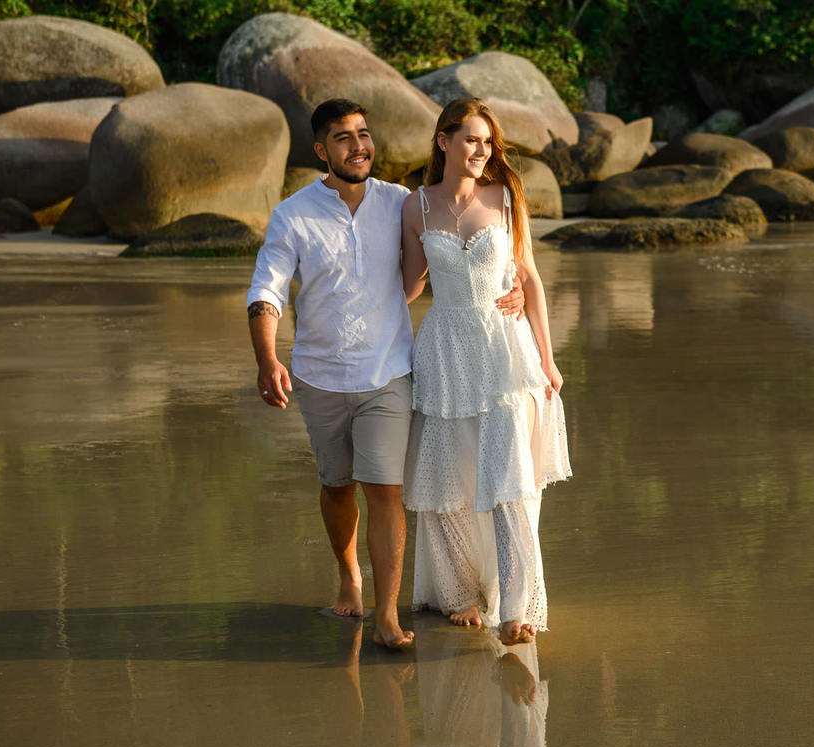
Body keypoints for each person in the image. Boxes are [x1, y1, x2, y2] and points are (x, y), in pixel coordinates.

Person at [245, 98, 521, 649]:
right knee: (336, 485)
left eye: (364, 134)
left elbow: (445, 258)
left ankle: (388, 615)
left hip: (390, 372)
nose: (359, 145)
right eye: (343, 138)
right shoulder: (292, 215)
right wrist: (267, 358)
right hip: (320, 375)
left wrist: (505, 286)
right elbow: (267, 291)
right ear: (322, 151)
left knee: (386, 491)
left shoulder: (401, 202)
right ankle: (350, 577)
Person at [401, 98, 572, 646]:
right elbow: (407, 288)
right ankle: (462, 595)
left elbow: (530, 278)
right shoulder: (417, 207)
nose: (482, 151)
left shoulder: (506, 198)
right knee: (447, 482)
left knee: (510, 483)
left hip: (503, 352)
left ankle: (517, 610)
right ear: (443, 141)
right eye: (471, 139)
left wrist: (547, 360)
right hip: (445, 351)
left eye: (488, 142)